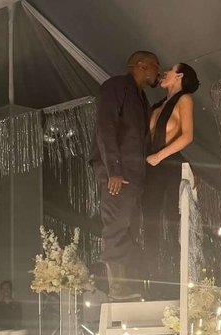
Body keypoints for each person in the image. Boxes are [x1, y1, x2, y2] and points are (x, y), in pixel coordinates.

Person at [90, 51, 160, 301]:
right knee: (116, 227)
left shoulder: (141, 97)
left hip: (134, 174)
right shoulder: (116, 86)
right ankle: (117, 289)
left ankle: (127, 286)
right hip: (117, 173)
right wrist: (114, 170)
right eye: (155, 65)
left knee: (128, 228)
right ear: (141, 65)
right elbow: (106, 127)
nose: (158, 71)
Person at [143, 63, 200, 299]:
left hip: (168, 164)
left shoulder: (184, 99)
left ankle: (174, 286)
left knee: (170, 222)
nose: (164, 73)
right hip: (151, 167)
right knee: (150, 224)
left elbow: (187, 135)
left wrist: (159, 156)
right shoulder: (157, 105)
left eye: (169, 70)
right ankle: (153, 285)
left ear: (179, 76)